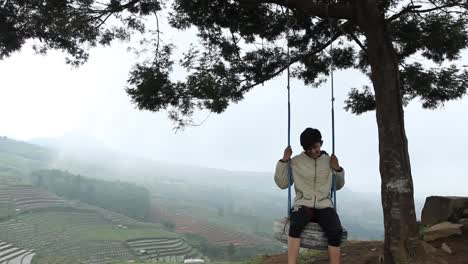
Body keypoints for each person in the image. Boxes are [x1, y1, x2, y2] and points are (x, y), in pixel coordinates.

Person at [274, 127, 345, 264]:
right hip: (303, 203)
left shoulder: (329, 161)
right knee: (296, 224)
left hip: (324, 204)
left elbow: (337, 186)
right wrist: (284, 160)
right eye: (308, 148)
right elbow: (282, 183)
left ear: (321, 143)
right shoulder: (296, 161)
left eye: (315, 147)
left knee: (336, 231)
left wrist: (337, 169)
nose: (312, 151)